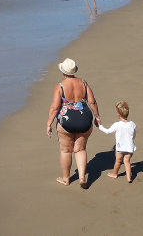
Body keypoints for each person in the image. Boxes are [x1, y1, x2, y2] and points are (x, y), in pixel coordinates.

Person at [46, 58, 101, 188]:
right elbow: (92, 102)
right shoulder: (83, 83)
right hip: (84, 119)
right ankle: (82, 177)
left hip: (67, 120)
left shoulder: (60, 86)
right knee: (80, 149)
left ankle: (66, 179)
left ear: (63, 71)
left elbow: (55, 107)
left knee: (66, 150)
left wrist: (49, 123)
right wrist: (97, 117)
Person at [97, 101, 137, 182]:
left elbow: (107, 131)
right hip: (129, 148)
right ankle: (129, 178)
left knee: (118, 161)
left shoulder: (117, 125)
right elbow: (134, 135)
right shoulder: (132, 124)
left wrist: (100, 126)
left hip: (120, 148)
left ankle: (115, 174)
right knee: (127, 162)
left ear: (118, 114)